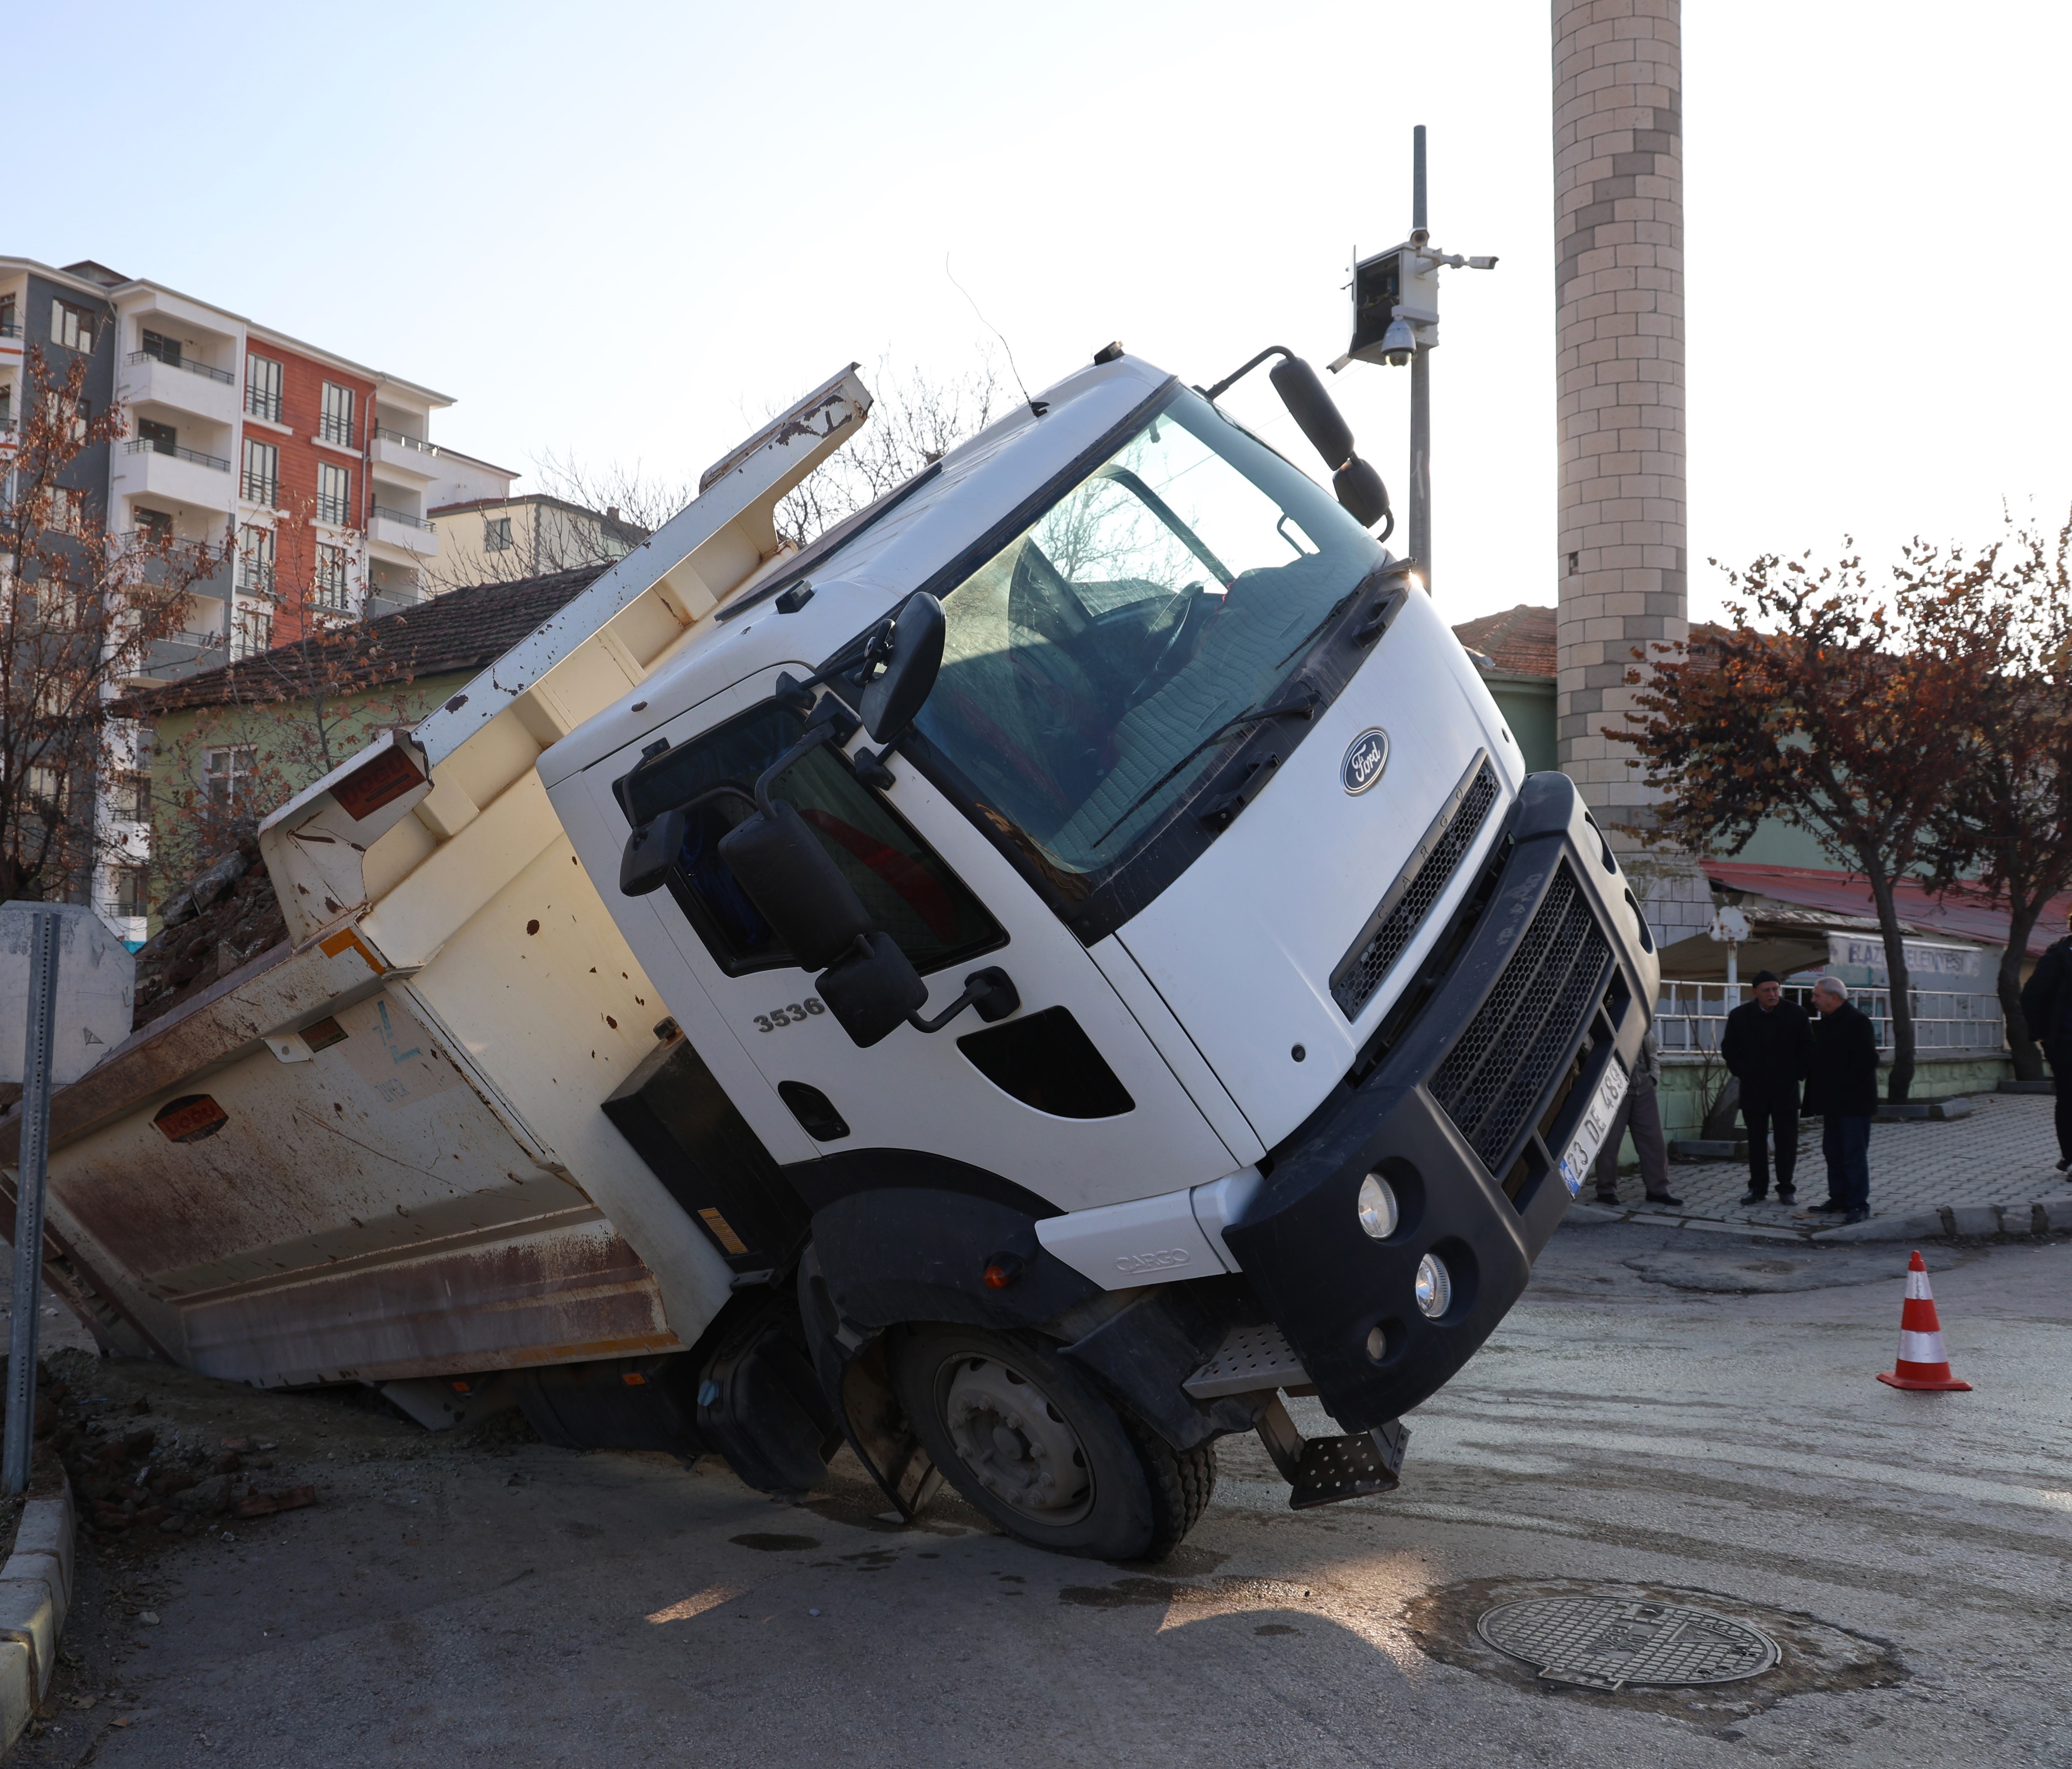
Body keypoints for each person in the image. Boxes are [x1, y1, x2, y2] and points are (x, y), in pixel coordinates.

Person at [1720, 970, 1813, 1206]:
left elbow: (1808, 1048)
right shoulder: (1741, 1016)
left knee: (1787, 1141)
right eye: (1767, 991)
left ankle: (1786, 1188)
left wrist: (1796, 1074)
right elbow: (1730, 1049)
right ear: (1755, 993)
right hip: (1754, 1088)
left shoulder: (1796, 1014)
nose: (1773, 995)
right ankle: (1757, 1188)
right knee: (1756, 1141)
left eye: (1776, 989)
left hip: (1786, 1088)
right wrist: (1745, 1072)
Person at [1802, 976, 1879, 1225]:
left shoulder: (1857, 1022)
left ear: (1834, 997)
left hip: (1854, 1103)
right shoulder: (1827, 1022)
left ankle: (1859, 1204)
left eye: (1817, 996)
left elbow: (1867, 1062)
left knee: (1853, 1154)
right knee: (1833, 1151)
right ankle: (1839, 1198)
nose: (1813, 1000)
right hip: (1832, 1102)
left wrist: (1844, 1085)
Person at [1593, 1028, 1681, 1208]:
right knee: (1610, 1142)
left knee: (1653, 1140)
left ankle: (1658, 1190)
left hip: (1644, 1085)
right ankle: (1606, 1190)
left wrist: (1653, 1077)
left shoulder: (1641, 1017)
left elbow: (1653, 1051)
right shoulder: (1608, 1016)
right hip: (1613, 1088)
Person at [2017, 907, 2072, 1174]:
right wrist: (2042, 1034)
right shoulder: (2059, 957)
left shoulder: (2058, 955)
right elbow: (2032, 996)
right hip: (2065, 1040)